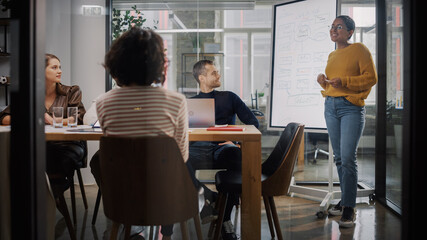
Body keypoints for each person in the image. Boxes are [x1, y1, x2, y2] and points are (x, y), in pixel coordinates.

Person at [90, 27, 204, 240]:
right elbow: (182, 156)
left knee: (98, 160)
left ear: (117, 61)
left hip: (122, 199)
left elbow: (115, 151)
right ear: (158, 63)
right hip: (168, 197)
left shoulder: (104, 102)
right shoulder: (176, 101)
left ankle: (128, 232)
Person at [317, 15, 377, 228]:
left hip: (351, 108)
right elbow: (335, 86)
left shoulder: (359, 49)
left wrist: (346, 82)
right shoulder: (333, 54)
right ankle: (346, 200)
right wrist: (323, 82)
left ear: (350, 32)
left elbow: (371, 78)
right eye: (332, 27)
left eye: (339, 27)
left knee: (348, 158)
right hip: (331, 106)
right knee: (340, 158)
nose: (334, 30)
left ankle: (349, 209)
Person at [189, 59, 259, 240]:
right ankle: (206, 196)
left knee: (237, 156)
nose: (219, 75)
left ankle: (225, 218)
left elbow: (253, 123)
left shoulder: (229, 97)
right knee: (176, 160)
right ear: (202, 78)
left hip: (224, 148)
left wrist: (234, 139)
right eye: (214, 73)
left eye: (217, 72)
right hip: (198, 149)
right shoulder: (191, 103)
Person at [0, 53, 86, 184]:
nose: (60, 71)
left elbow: (78, 118)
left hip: (67, 144)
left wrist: (52, 120)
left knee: (56, 158)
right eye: (54, 67)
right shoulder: (28, 94)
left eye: (60, 67)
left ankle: (51, 196)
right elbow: (4, 117)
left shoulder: (71, 92)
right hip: (37, 143)